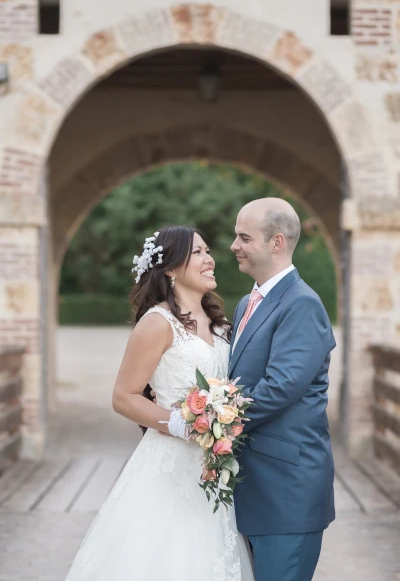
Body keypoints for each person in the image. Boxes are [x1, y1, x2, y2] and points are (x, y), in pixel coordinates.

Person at [64, 225, 254, 581]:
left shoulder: (222, 326)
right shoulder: (157, 323)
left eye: (207, 250)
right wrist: (182, 424)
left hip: (214, 466)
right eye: (197, 252)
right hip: (168, 465)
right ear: (169, 268)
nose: (209, 259)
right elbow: (123, 396)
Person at [230, 198, 336, 581]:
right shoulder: (246, 304)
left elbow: (279, 388)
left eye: (244, 237)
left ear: (276, 242)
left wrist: (211, 421)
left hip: (286, 489)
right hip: (251, 486)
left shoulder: (303, 304)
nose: (233, 246)